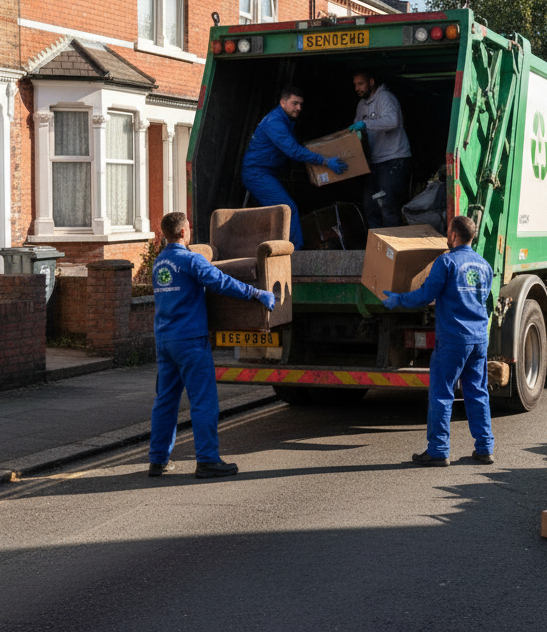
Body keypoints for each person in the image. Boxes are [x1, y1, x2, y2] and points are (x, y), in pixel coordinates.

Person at [148, 212, 276, 479]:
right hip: (190, 340)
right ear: (184, 232)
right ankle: (207, 460)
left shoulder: (160, 263)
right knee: (203, 401)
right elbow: (220, 282)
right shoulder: (190, 259)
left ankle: (158, 460)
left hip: (164, 340)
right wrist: (255, 293)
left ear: (165, 234)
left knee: (165, 402)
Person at [380, 215, 495, 466]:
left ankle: (438, 450)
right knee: (477, 392)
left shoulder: (446, 262)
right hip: (478, 338)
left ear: (454, 235)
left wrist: (398, 299)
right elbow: (484, 298)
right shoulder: (485, 265)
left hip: (454, 339)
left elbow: (425, 295)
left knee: (442, 393)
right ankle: (485, 448)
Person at [242, 86, 347, 248]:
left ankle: (281, 249)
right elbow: (293, 151)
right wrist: (325, 161)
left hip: (269, 172)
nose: (298, 108)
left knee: (282, 211)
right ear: (283, 102)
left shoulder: (285, 120)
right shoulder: (275, 122)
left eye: (301, 104)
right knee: (287, 209)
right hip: (257, 173)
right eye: (294, 103)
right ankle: (296, 255)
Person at [348, 71, 410, 228]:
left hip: (393, 158)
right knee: (371, 206)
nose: (357, 88)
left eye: (360, 84)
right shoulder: (361, 105)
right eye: (355, 85)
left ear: (371, 82)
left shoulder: (386, 98)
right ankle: (376, 248)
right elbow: (357, 131)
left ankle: (392, 249)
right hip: (375, 161)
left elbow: (392, 121)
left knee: (388, 206)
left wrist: (365, 124)